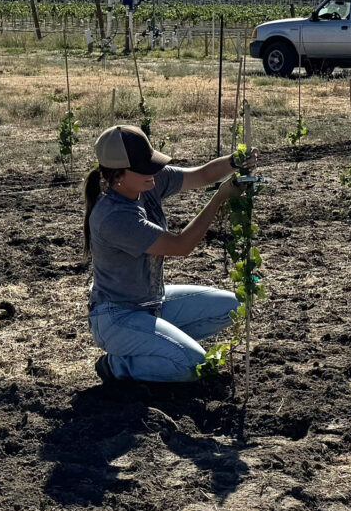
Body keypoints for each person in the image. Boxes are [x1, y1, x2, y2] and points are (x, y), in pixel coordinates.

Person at [84, 125, 258, 383]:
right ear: (118, 175)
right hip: (117, 317)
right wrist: (219, 198)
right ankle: (118, 365)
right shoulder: (113, 216)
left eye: (152, 163)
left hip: (154, 303)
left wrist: (234, 161)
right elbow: (181, 245)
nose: (153, 171)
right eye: (144, 166)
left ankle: (159, 343)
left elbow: (201, 175)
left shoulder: (147, 182)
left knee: (235, 307)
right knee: (194, 364)